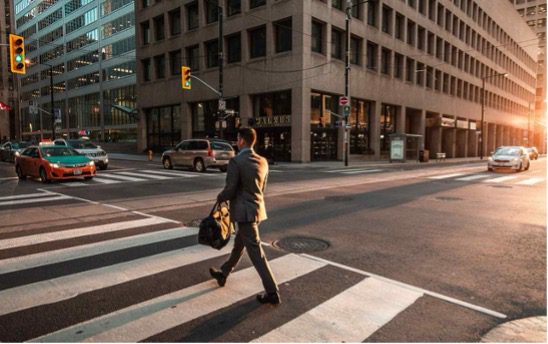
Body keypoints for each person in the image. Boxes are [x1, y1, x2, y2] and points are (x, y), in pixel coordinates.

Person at [209, 128, 280, 305]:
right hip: (256, 210)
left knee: (256, 253)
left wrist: (221, 197)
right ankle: (223, 273)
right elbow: (262, 189)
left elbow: (230, 189)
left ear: (241, 140)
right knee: (239, 245)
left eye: (238, 138)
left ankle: (272, 292)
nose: (237, 141)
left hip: (243, 212)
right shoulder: (263, 161)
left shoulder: (236, 161)